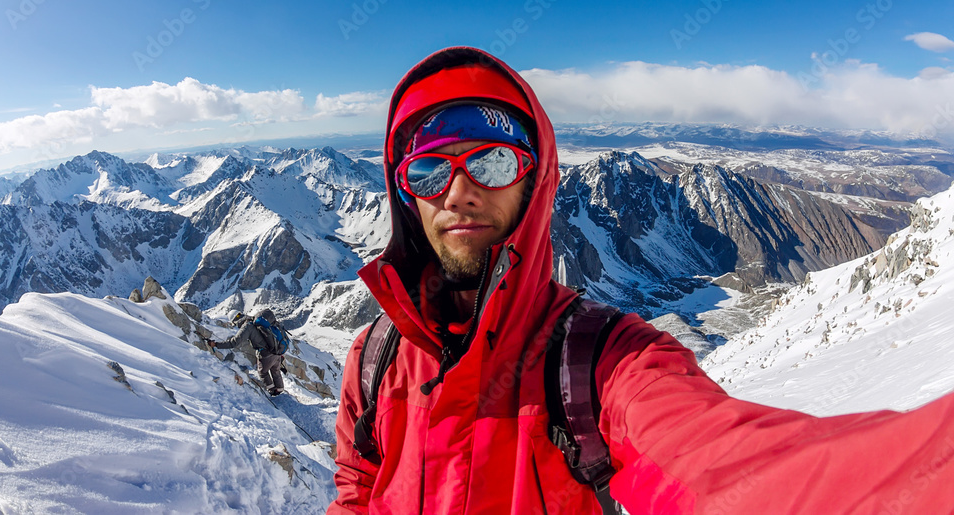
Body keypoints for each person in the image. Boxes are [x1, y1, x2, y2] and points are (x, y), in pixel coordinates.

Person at [330, 46, 954, 514]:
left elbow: (726, 471)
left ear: (535, 181)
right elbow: (357, 491)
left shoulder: (598, 363)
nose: (458, 193)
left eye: (492, 162)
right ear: (405, 193)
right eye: (430, 170)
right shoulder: (373, 360)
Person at [209, 308, 285, 396]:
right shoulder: (254, 319)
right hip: (276, 350)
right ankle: (280, 389)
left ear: (236, 320)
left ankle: (272, 391)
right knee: (275, 369)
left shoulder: (247, 326)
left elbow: (234, 342)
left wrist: (216, 345)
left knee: (262, 372)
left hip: (266, 353)